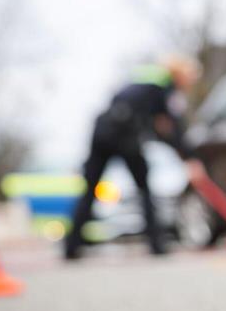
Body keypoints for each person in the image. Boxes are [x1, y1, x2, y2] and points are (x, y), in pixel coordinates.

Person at [64, 55, 206, 260]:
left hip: (102, 130)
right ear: (181, 73)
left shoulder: (145, 77)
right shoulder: (165, 86)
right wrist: (190, 159)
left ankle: (71, 247)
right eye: (191, 77)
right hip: (125, 136)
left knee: (89, 190)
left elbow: (158, 126)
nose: (191, 83)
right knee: (144, 188)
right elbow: (172, 126)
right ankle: (157, 246)